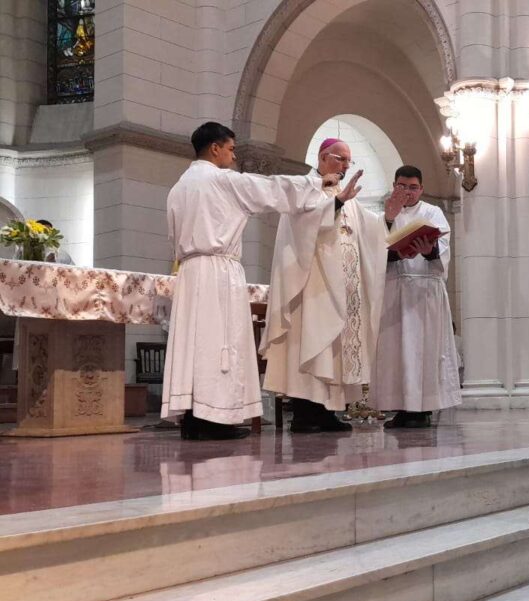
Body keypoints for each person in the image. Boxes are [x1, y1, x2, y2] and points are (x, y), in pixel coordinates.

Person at [161, 122, 361, 441]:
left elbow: (173, 237)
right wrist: (317, 184)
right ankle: (214, 420)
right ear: (215, 148)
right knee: (219, 344)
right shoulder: (221, 180)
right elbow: (270, 190)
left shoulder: (178, 187)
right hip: (219, 271)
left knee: (194, 347)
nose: (233, 155)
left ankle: (193, 418)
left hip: (189, 272)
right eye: (231, 149)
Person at [261, 139, 387, 433]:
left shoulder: (350, 199)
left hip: (343, 287)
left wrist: (389, 217)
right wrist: (337, 202)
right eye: (341, 159)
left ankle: (328, 411)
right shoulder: (306, 187)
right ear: (322, 157)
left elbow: (369, 229)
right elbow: (302, 226)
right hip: (312, 285)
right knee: (314, 343)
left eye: (348, 161)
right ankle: (306, 414)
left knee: (335, 349)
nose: (345, 166)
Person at [371, 165, 461, 428]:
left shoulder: (433, 212)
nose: (407, 192)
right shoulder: (384, 215)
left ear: (421, 189)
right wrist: (392, 234)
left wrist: (429, 250)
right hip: (394, 291)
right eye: (402, 186)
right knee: (396, 350)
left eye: (412, 187)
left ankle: (422, 409)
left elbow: (442, 249)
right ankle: (401, 407)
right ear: (393, 186)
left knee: (424, 350)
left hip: (425, 292)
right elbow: (373, 250)